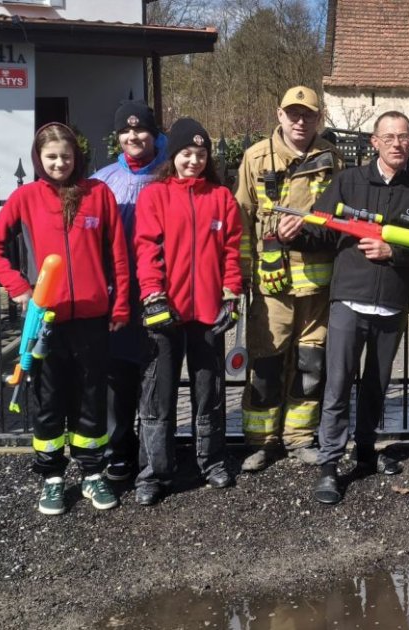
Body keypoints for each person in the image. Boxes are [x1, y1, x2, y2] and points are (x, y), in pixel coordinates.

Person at [279, 110, 409, 505]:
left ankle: (365, 452)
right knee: (338, 383)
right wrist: (292, 236)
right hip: (349, 299)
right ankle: (330, 464)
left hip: (392, 304)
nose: (397, 143)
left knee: (377, 385)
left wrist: (392, 252)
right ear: (374, 142)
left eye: (403, 137)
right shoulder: (348, 182)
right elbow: (322, 233)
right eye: (389, 137)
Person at [0, 122, 130, 515]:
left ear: (76, 156)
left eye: (65, 156)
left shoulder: (99, 194)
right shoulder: (25, 197)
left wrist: (120, 305)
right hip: (45, 320)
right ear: (38, 159)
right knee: (48, 400)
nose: (59, 163)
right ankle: (52, 478)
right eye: (51, 157)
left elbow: (118, 255)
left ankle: (92, 473)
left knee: (91, 398)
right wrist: (19, 287)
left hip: (93, 318)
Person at [133, 118, 243, 506]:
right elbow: (147, 248)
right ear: (173, 156)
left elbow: (232, 252)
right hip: (166, 311)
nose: (194, 161)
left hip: (208, 312)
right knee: (158, 394)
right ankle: (154, 472)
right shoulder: (155, 196)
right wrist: (153, 294)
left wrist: (231, 295)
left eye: (200, 154)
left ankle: (211, 461)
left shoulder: (222, 198)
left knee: (209, 390)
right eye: (186, 153)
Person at [235, 86, 344, 472]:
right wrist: (242, 276)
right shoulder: (256, 157)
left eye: (308, 114)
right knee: (266, 363)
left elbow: (340, 216)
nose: (300, 121)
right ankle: (261, 441)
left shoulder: (332, 158)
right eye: (293, 113)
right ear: (279, 114)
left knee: (311, 363)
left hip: (317, 284)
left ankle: (299, 437)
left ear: (319, 118)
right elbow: (241, 219)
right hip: (272, 285)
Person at [91, 100, 169, 483]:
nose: (133, 136)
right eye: (126, 130)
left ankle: (157, 451)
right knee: (118, 376)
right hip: (118, 291)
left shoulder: (170, 175)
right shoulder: (102, 181)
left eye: (140, 130)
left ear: (153, 134)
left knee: (156, 375)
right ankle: (118, 449)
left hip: (161, 290)